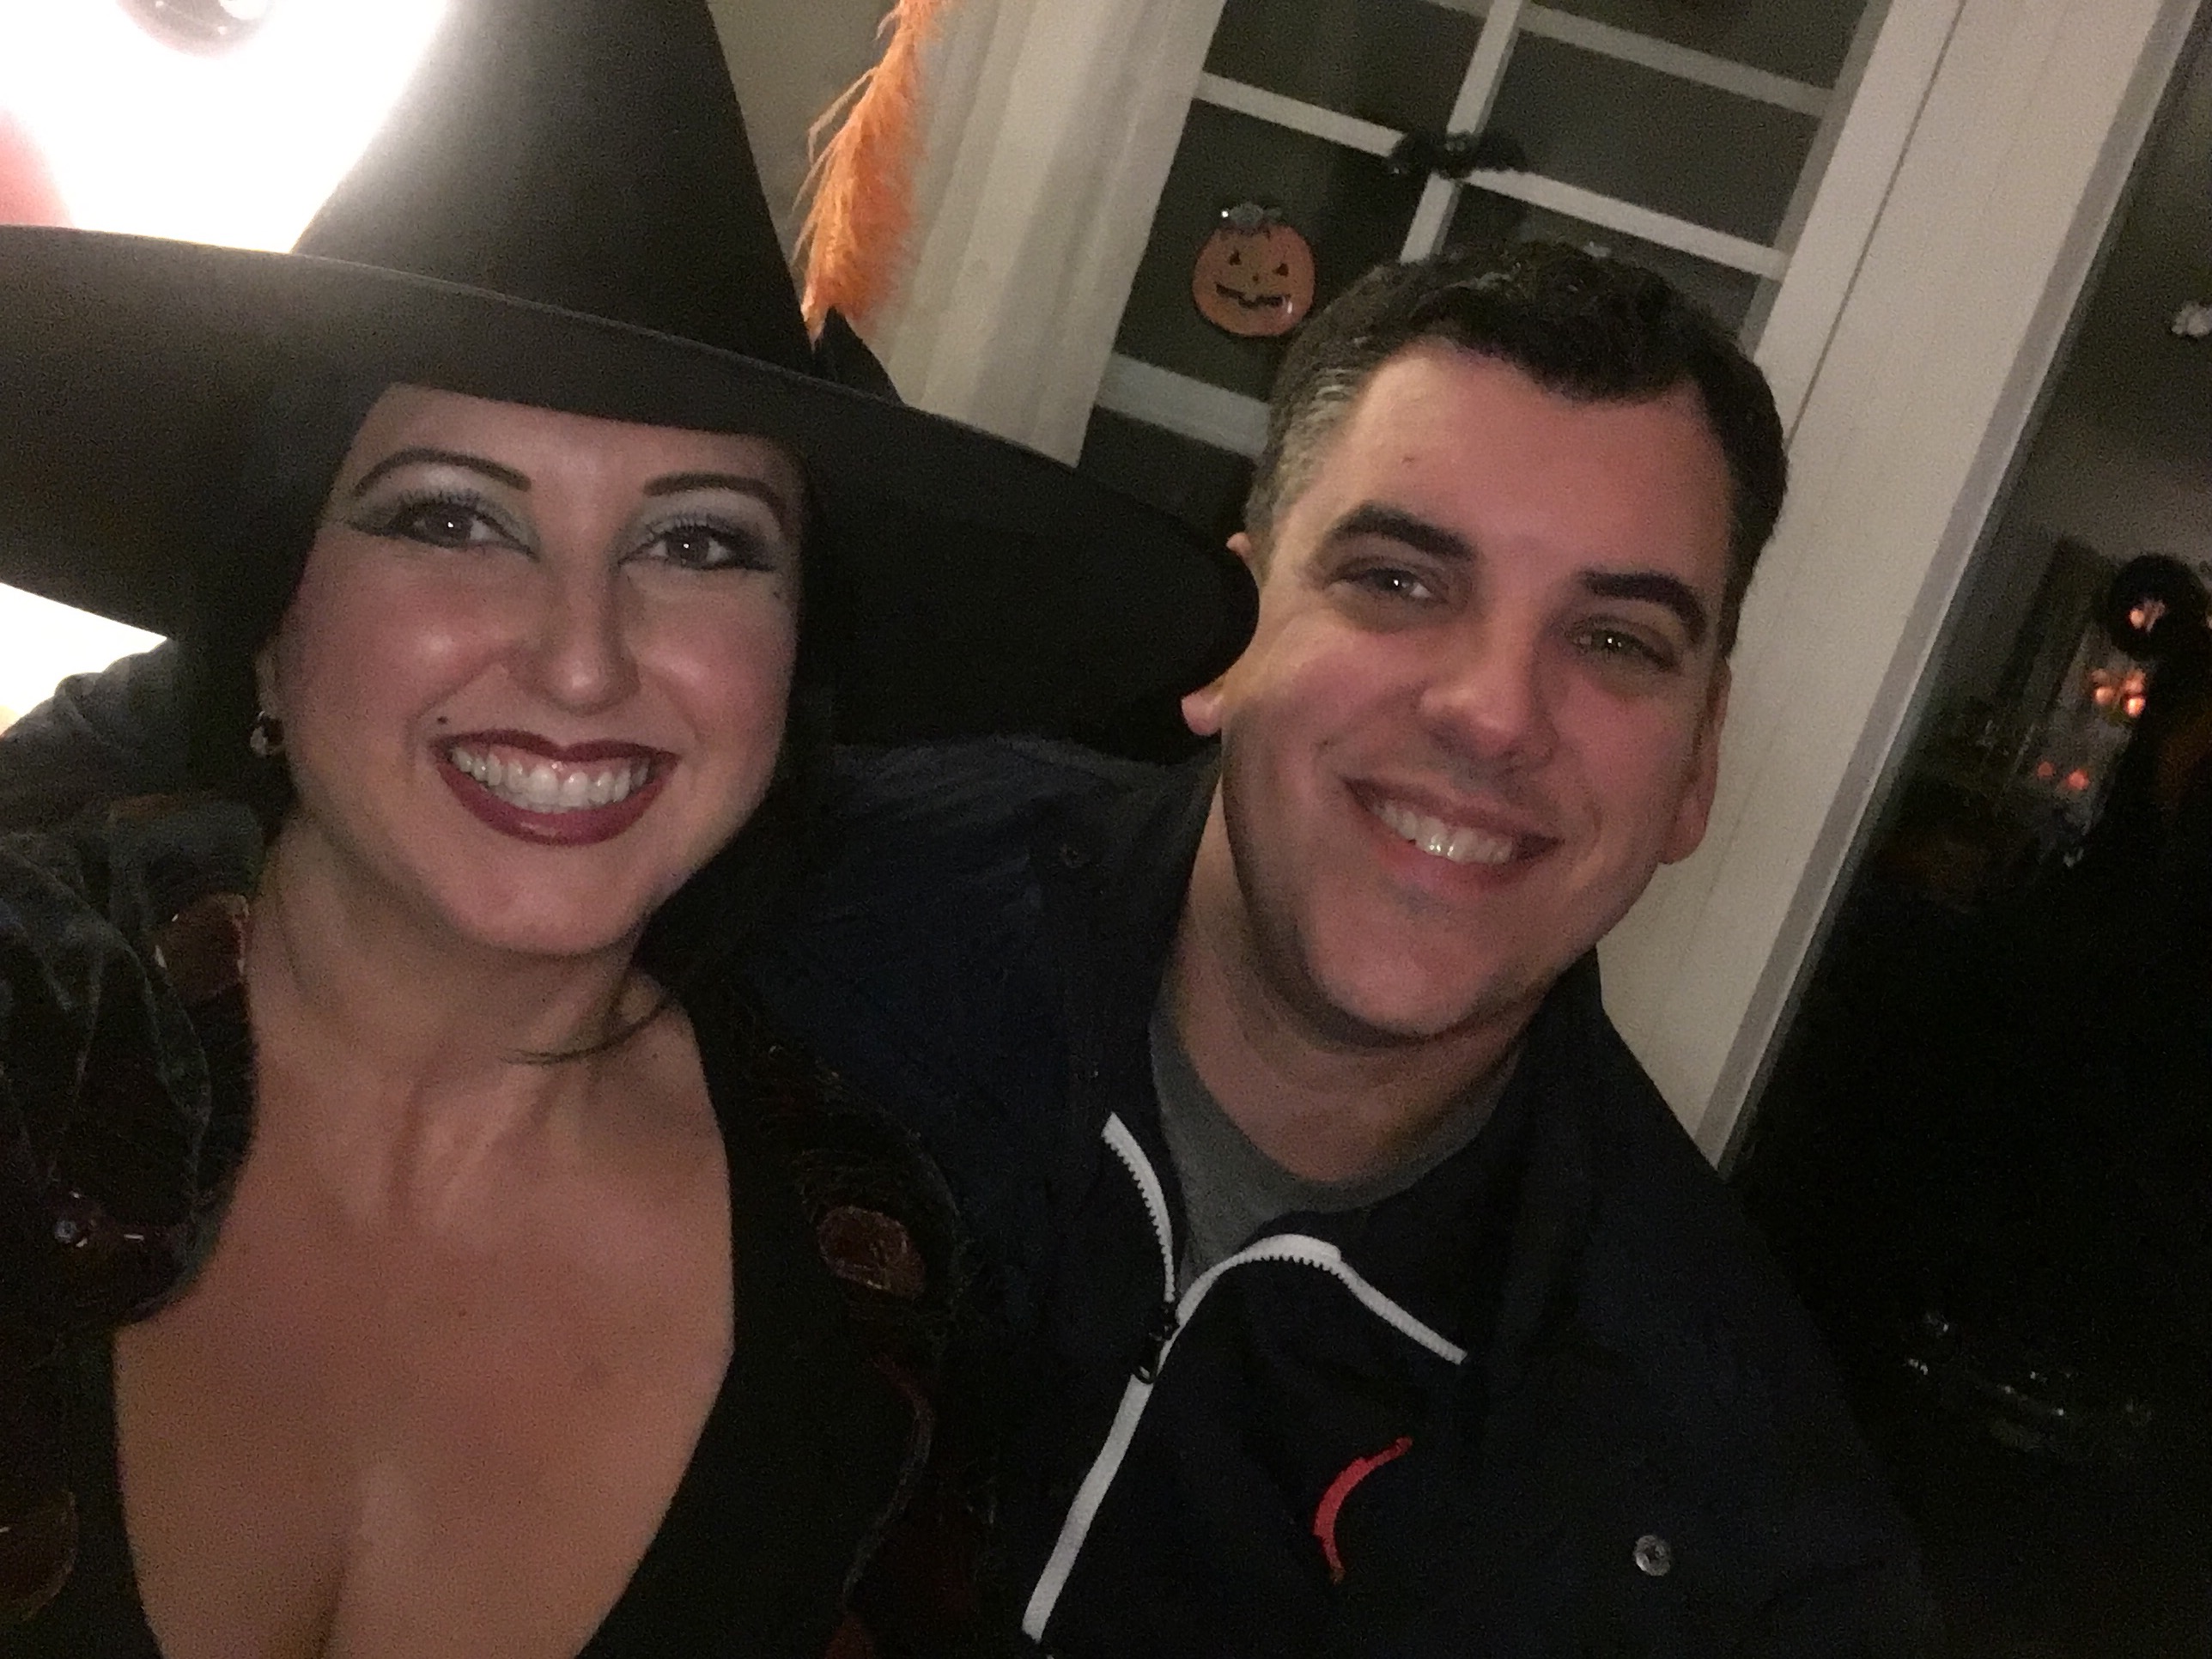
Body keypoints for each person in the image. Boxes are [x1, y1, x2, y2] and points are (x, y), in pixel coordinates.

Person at [4, 240, 1933, 1650]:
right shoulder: (802, 861)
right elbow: (308, 740)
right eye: (1397, 579)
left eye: (1617, 641)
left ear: (1700, 765)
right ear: (1237, 637)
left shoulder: (1725, 1527)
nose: (1492, 714)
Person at [0, 2, 1249, 1655]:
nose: (582, 660)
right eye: (453, 518)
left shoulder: (867, 1300)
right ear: (267, 624)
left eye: (701, 545)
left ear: (792, 659)